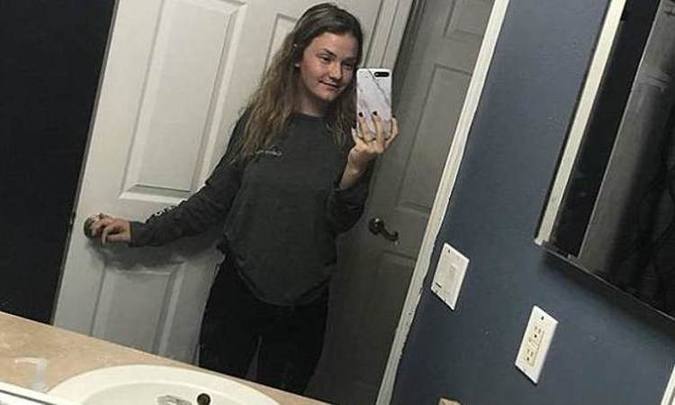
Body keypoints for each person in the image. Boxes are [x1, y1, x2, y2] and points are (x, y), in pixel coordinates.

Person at [88, 2, 398, 394]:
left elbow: (339, 222)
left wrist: (356, 167)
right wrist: (140, 231)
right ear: (297, 55)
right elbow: (213, 201)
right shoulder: (259, 122)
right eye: (326, 58)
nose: (337, 74)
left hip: (305, 305)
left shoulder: (356, 139)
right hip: (238, 292)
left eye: (348, 64)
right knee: (215, 393)